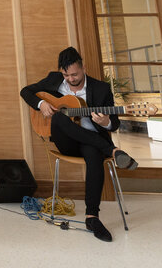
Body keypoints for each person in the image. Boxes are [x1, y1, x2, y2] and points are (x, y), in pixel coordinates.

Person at [20, 46, 138, 242]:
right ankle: (113, 150)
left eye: (74, 74)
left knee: (94, 156)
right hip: (66, 142)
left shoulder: (100, 89)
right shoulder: (54, 79)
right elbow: (26, 91)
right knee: (60, 118)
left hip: (91, 142)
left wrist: (105, 122)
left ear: (83, 67)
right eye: (66, 75)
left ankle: (92, 218)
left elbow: (114, 123)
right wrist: (42, 104)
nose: (71, 79)